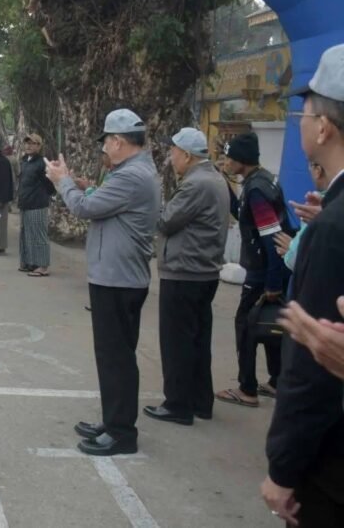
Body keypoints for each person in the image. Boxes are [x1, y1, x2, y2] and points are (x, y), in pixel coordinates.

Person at [46, 108, 160, 456]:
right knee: (114, 355)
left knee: (116, 358)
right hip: (117, 277)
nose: (104, 148)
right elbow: (102, 202)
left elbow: (84, 209)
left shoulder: (131, 176)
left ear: (119, 141)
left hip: (118, 280)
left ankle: (121, 432)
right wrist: (86, 187)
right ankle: (113, 421)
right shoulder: (133, 172)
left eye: (106, 141)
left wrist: (62, 181)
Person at [262, 44, 344, 525]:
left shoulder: (333, 228)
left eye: (304, 114)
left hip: (329, 469)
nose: (301, 124)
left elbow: (314, 364)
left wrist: (283, 467)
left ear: (324, 128)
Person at [142, 128, 229, 426]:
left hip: (185, 271)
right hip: (203, 271)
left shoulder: (196, 184)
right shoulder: (214, 178)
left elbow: (166, 221)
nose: (171, 158)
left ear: (188, 155)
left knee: (177, 341)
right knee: (197, 339)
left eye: (174, 152)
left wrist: (153, 204)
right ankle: (200, 401)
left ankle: (178, 404)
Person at [216, 132, 293, 409]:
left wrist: (272, 282)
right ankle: (277, 380)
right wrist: (225, 185)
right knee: (271, 323)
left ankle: (247, 388)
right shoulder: (262, 180)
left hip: (264, 270)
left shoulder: (257, 190)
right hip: (272, 268)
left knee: (246, 325)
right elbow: (243, 213)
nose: (226, 162)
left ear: (242, 160)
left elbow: (271, 239)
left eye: (230, 158)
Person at [18, 133, 55, 276]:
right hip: (25, 203)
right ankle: (30, 262)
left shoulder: (42, 163)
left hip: (38, 204)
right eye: (27, 143)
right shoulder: (24, 161)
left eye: (32, 143)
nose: (28, 146)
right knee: (26, 234)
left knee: (39, 234)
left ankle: (42, 266)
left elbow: (50, 185)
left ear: (39, 146)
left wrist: (43, 196)